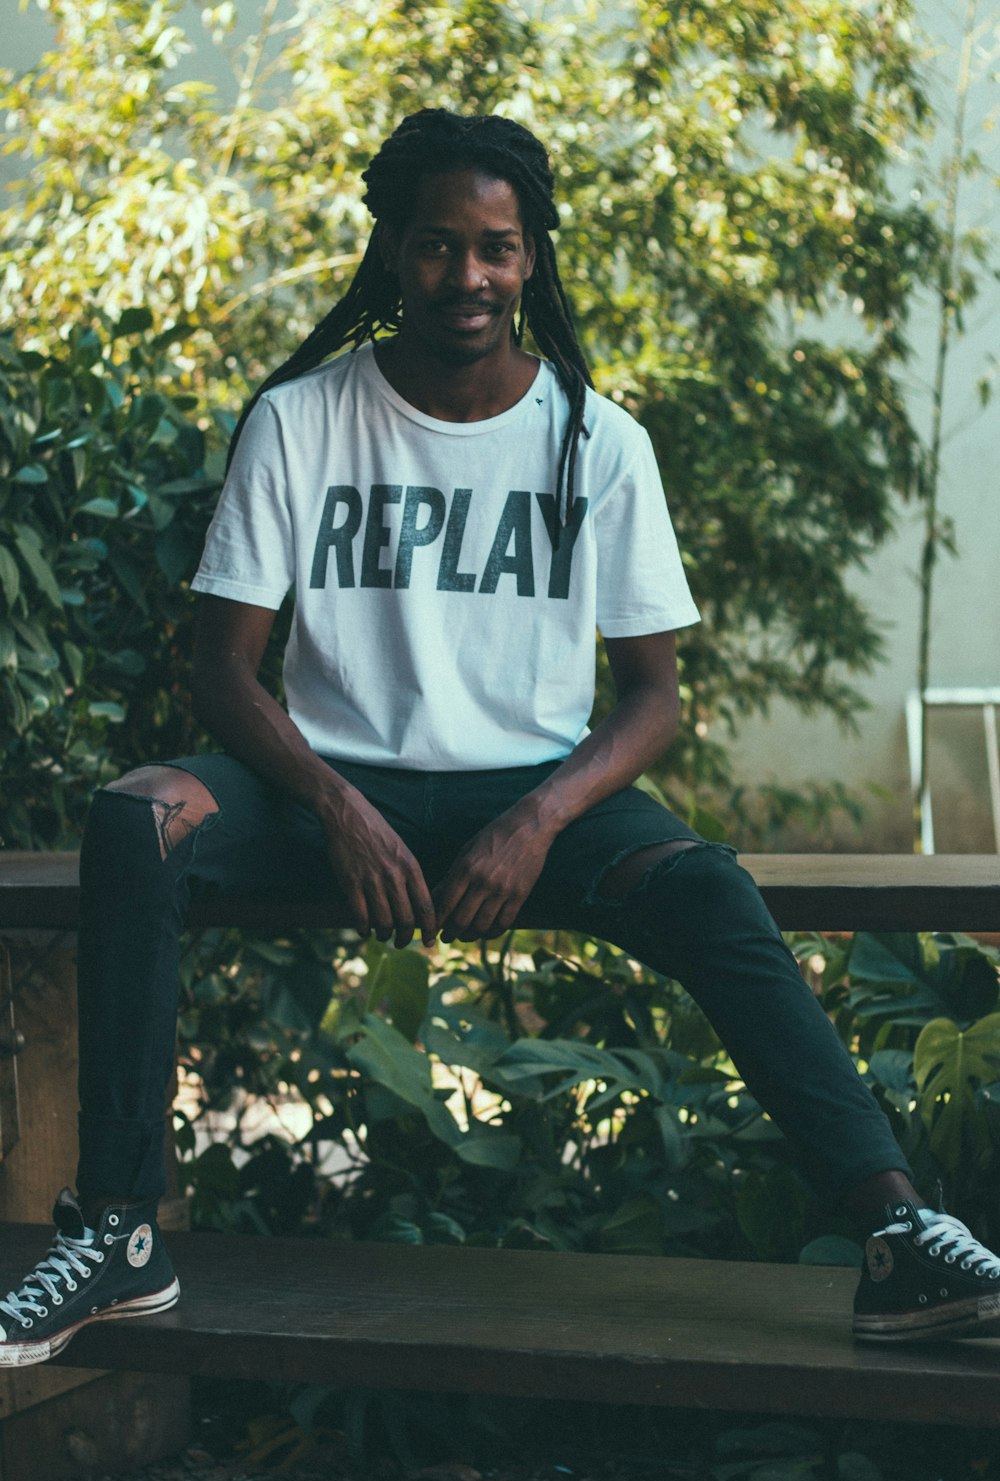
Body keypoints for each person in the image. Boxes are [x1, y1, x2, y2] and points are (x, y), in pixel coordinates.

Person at [2, 109, 998, 1367]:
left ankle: (899, 1240)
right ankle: (118, 1241)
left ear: (531, 260)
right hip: (329, 795)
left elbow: (652, 698)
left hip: (532, 796)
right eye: (434, 246)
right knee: (137, 818)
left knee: (706, 891)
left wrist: (535, 816)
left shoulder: (598, 440)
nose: (465, 277)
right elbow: (224, 672)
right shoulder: (303, 419)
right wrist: (332, 803)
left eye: (496, 248)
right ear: (392, 252)